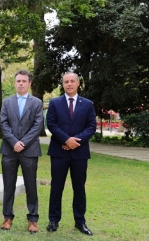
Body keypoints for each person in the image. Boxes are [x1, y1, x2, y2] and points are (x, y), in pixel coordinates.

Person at [46, 72, 96, 235]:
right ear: (63, 84)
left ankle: (80, 221)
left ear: (78, 84)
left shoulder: (88, 104)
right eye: (66, 82)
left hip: (79, 153)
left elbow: (91, 126)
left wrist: (75, 142)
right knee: (56, 187)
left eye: (72, 81)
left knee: (79, 188)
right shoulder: (55, 102)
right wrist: (66, 140)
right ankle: (53, 220)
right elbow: (51, 124)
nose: (69, 84)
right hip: (59, 152)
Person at [0, 70, 43, 233]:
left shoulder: (37, 103)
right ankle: (7, 218)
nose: (21, 83)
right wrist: (13, 142)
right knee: (8, 185)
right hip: (9, 150)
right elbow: (3, 124)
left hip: (29, 151)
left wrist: (22, 143)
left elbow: (37, 126)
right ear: (14, 83)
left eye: (24, 81)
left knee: (31, 186)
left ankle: (32, 219)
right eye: (18, 81)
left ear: (29, 83)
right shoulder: (6, 102)